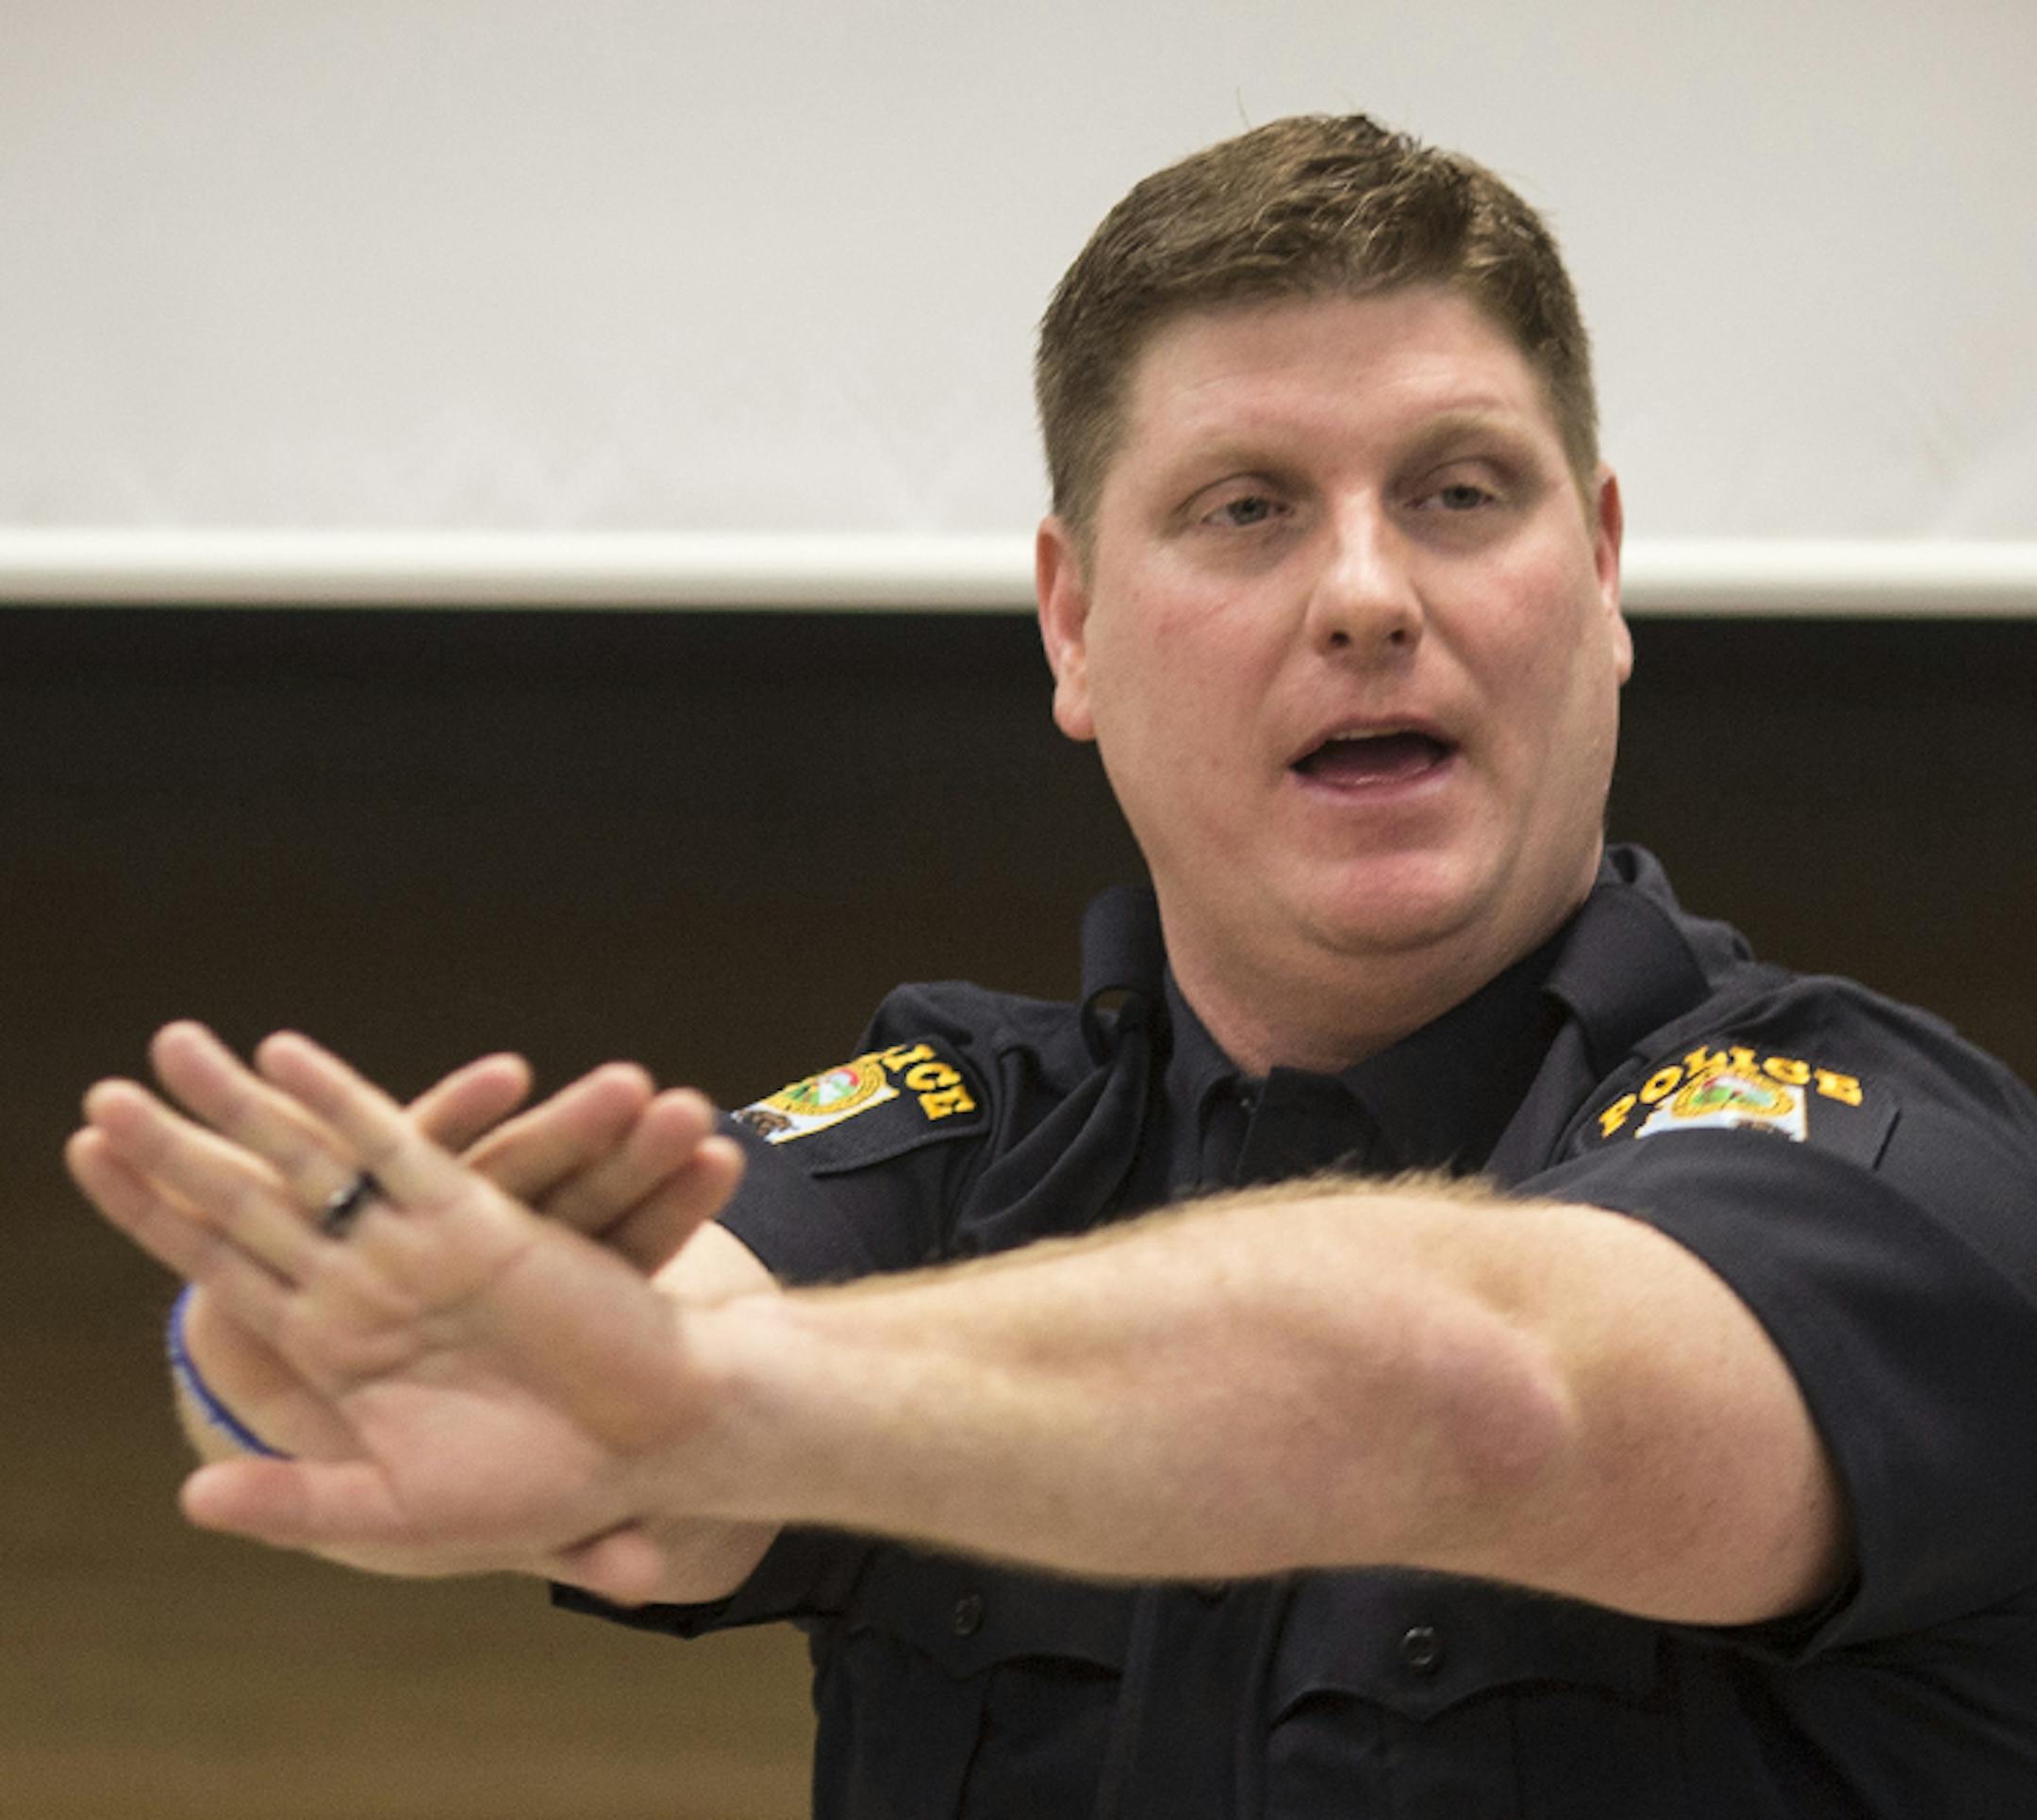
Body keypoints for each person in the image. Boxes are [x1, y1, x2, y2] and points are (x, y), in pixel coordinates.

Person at [69, 114, 2037, 1817]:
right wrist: (304, 1357)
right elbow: (605, 1333)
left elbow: (1475, 1386)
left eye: (1456, 491)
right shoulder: (961, 1129)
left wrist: (696, 1391)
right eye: (1246, 509)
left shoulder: (1883, 1153)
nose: (1366, 594)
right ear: (1074, 623)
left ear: (1602, 574)